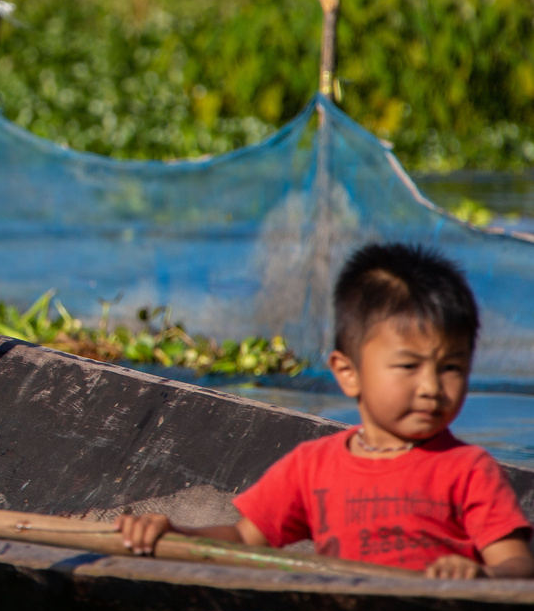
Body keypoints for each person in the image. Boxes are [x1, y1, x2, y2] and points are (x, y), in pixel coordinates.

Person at [116, 243, 533, 579]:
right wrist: (174, 533)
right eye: (408, 366)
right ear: (348, 373)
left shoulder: (469, 470)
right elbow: (243, 539)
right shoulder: (313, 467)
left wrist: (480, 575)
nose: (431, 388)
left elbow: (517, 566)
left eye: (451, 368)